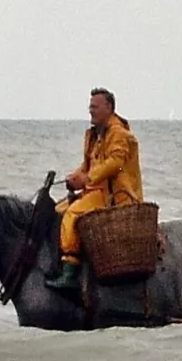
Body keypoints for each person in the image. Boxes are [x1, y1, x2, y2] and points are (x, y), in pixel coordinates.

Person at [45, 88, 144, 290]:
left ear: (108, 108)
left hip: (112, 196)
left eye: (95, 107)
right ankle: (61, 263)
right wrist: (75, 177)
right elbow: (89, 164)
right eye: (90, 106)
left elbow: (115, 163)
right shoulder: (95, 135)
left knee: (72, 215)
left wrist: (87, 178)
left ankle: (70, 273)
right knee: (57, 211)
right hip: (94, 191)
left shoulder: (120, 135)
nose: (90, 111)